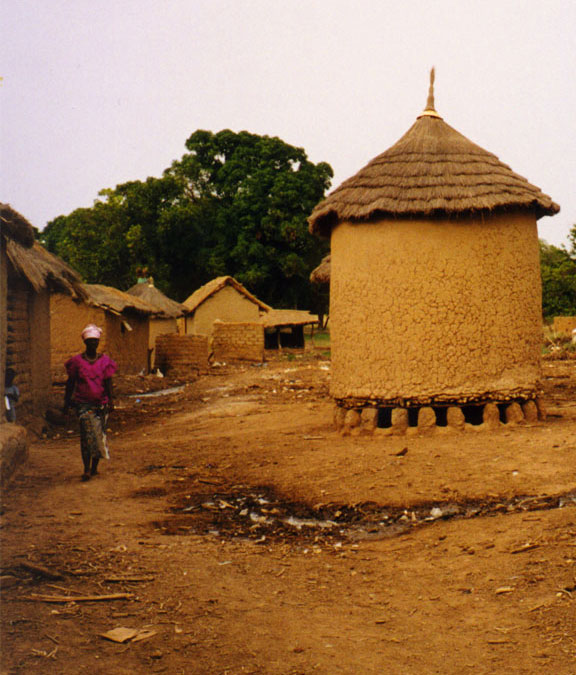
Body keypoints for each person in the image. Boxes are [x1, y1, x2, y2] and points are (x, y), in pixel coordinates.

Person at [64, 325, 117, 482]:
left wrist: (111, 401)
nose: (93, 344)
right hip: (83, 405)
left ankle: (94, 467)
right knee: (87, 436)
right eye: (90, 341)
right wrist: (66, 402)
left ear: (98, 342)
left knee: (99, 437)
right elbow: (71, 383)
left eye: (95, 341)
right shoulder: (77, 362)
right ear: (85, 343)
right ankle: (86, 469)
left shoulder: (105, 362)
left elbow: (108, 382)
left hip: (101, 404)